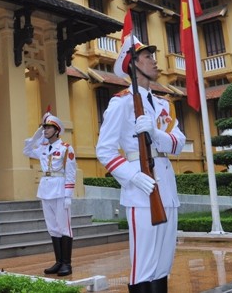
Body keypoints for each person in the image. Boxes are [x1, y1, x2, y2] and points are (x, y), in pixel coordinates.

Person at [96, 36, 185, 293]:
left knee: (163, 263)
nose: (155, 61)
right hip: (141, 188)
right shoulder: (121, 102)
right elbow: (104, 149)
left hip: (166, 188)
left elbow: (178, 143)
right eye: (147, 57)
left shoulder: (163, 104)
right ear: (132, 64)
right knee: (144, 265)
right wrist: (133, 177)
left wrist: (156, 135)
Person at [23, 110, 77, 277]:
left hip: (60, 191)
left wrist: (68, 195)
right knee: (53, 228)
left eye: (48, 128)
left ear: (57, 130)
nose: (45, 130)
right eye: (44, 127)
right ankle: (59, 262)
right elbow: (26, 151)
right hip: (46, 190)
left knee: (64, 228)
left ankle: (67, 263)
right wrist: (36, 136)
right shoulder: (43, 148)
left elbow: (71, 172)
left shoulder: (66, 148)